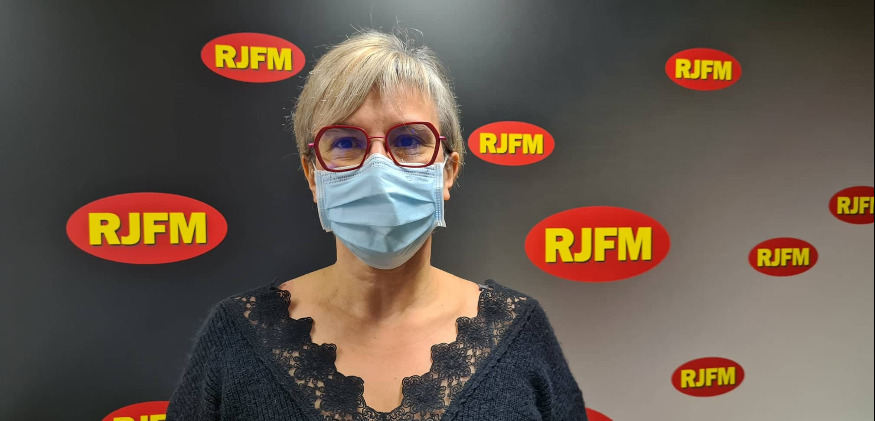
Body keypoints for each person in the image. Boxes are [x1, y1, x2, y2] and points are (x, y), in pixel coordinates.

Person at [167, 30, 587, 420]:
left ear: (447, 172)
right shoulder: (236, 337)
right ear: (314, 176)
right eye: (346, 142)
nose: (379, 169)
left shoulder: (519, 332)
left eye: (409, 140)